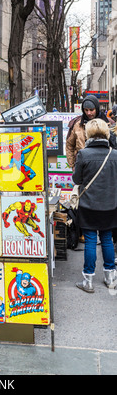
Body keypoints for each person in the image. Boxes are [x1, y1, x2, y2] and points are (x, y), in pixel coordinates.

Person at [73, 118, 117, 293]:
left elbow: (77, 179)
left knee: (90, 240)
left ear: (88, 133)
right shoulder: (115, 154)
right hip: (111, 204)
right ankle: (110, 278)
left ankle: (88, 281)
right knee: (107, 239)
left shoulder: (84, 154)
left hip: (89, 204)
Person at [66, 95, 117, 171]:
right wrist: (73, 165)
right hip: (83, 166)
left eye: (91, 110)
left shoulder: (109, 123)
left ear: (96, 108)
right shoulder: (77, 124)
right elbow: (69, 145)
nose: (89, 113)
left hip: (105, 167)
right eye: (86, 110)